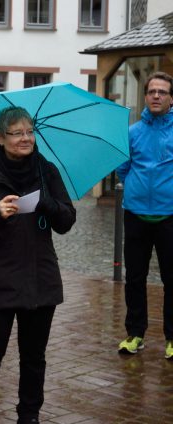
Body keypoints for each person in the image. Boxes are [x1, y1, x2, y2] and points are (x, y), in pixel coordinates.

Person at [0, 106, 75, 424]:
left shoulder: (46, 171)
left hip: (40, 278)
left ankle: (29, 414)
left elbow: (66, 220)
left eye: (29, 131)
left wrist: (45, 203)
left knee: (33, 356)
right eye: (17, 133)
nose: (25, 138)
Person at [116, 71, 173, 359]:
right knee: (134, 278)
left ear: (171, 98)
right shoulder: (133, 132)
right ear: (146, 96)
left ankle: (172, 339)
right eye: (152, 91)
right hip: (136, 214)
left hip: (170, 216)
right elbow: (122, 169)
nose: (156, 96)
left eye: (162, 92)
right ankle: (135, 334)